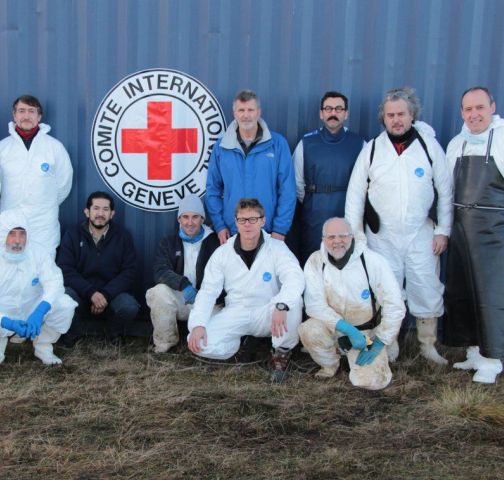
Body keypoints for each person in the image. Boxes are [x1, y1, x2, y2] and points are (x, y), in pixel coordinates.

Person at [345, 87, 453, 365]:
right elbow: (355, 195)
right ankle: (388, 343)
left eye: (401, 114)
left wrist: (443, 230)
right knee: (386, 291)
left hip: (422, 234)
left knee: (426, 287)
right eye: (390, 115)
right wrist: (357, 236)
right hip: (382, 237)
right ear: (384, 118)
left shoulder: (429, 147)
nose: (396, 120)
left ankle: (427, 345)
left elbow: (446, 191)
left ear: (412, 114)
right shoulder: (371, 150)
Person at [443, 87, 504, 384]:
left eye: (479, 108)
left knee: (494, 295)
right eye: (468, 109)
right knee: (465, 293)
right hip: (462, 230)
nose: (473, 114)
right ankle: (474, 351)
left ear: (492, 108)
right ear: (462, 112)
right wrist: (444, 230)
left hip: (497, 232)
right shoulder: (456, 144)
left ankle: (492, 359)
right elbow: (447, 193)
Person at [187, 198, 304, 383]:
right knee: (197, 342)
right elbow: (208, 291)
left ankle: (280, 354)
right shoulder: (223, 252)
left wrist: (282, 305)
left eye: (253, 219)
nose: (247, 224)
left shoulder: (277, 248)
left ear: (263, 221)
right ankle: (237, 347)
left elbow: (295, 277)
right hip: (237, 311)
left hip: (268, 312)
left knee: (293, 303)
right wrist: (198, 324)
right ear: (236, 222)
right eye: (242, 220)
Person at [300, 218, 405, 390]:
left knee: (369, 381)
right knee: (308, 330)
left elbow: (395, 305)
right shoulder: (315, 262)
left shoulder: (372, 261)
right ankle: (331, 364)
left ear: (352, 237)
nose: (337, 242)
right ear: (323, 239)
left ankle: (381, 350)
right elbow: (314, 305)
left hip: (366, 336)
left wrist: (379, 341)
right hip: (337, 329)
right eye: (331, 237)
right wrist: (347, 330)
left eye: (343, 236)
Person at [0, 210, 77, 365]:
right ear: (2, 235)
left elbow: (54, 282)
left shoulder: (38, 253)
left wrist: (39, 312)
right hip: (1, 313)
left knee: (65, 305)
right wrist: (7, 322)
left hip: (32, 310)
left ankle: (43, 346)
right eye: (12, 234)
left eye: (22, 234)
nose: (17, 240)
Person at [205, 90, 296, 245]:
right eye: (241, 110)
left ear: (258, 112)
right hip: (233, 232)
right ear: (234, 113)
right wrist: (220, 225)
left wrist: (280, 228)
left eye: (250, 110)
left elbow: (287, 190)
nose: (246, 115)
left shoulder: (277, 144)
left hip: (268, 232)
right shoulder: (221, 148)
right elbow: (212, 190)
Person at [288, 91, 365, 265]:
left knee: (345, 260)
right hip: (314, 215)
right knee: (314, 260)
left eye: (339, 109)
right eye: (328, 109)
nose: (333, 113)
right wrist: (314, 201)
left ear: (346, 113)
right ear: (321, 113)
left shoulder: (360, 144)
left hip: (347, 212)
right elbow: (297, 183)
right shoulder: (306, 143)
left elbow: (366, 184)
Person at [0, 94, 73, 257]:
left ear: (39, 116)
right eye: (21, 111)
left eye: (31, 111)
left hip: (43, 224)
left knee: (42, 270)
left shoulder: (54, 147)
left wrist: (44, 204)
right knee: (10, 270)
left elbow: (64, 183)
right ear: (14, 115)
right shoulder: (2, 148)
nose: (26, 116)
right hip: (11, 222)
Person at [56, 192, 139, 345]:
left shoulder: (123, 236)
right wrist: (90, 292)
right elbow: (65, 269)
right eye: (96, 208)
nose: (100, 214)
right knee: (65, 297)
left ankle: (113, 334)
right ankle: (74, 335)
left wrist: (105, 295)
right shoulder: (72, 234)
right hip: (81, 295)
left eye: (105, 209)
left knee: (129, 305)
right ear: (87, 212)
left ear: (112, 214)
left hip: (110, 296)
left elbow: (129, 272)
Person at [145, 194, 221, 353]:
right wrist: (184, 285)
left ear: (203, 219)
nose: (190, 222)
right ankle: (165, 343)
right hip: (182, 298)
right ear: (179, 219)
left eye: (195, 217)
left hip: (208, 302)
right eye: (185, 217)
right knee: (157, 292)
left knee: (211, 346)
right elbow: (160, 270)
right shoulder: (168, 242)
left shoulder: (215, 242)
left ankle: (200, 342)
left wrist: (206, 296)